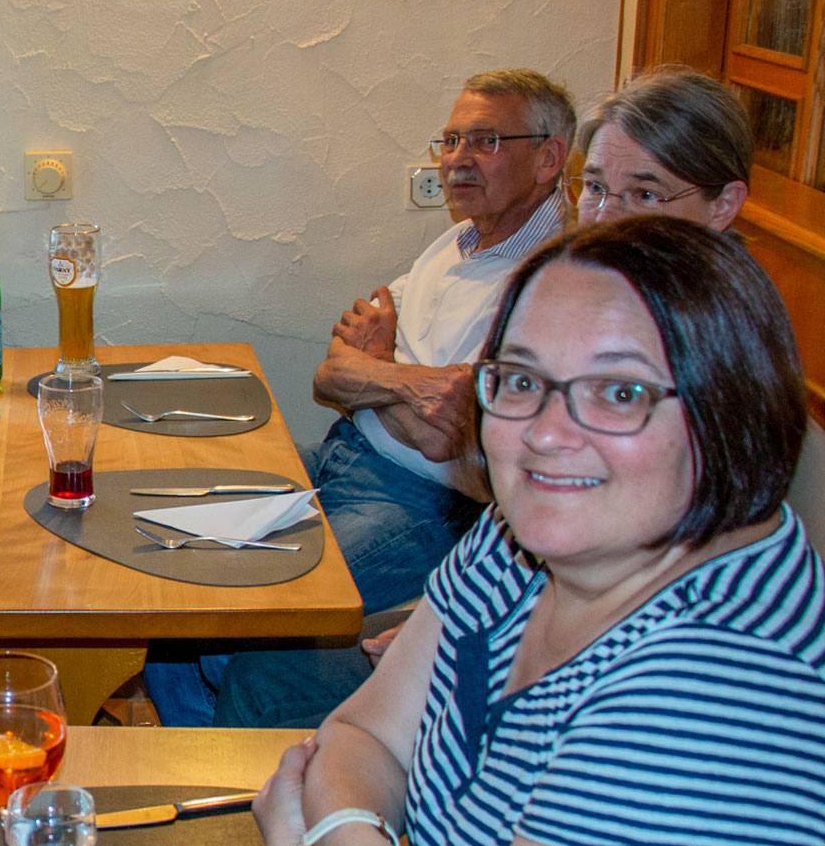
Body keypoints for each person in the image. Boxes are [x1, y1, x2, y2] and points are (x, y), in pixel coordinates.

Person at [253, 217, 825, 846]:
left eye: (616, 392)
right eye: (516, 380)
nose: (544, 434)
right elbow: (356, 739)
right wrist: (349, 841)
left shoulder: (714, 690)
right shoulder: (529, 550)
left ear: (730, 404)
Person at [213, 66, 753, 729]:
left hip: (518, 640)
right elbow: (489, 482)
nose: (607, 219)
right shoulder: (573, 300)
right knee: (188, 553)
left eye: (644, 192)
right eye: (598, 191)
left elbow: (471, 451)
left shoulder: (709, 361)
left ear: (724, 205)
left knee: (250, 656)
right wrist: (440, 618)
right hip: (470, 588)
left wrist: (453, 640)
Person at [147, 68, 576, 726]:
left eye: (484, 141)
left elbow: (456, 434)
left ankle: (226, 760)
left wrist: (379, 374)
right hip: (339, 454)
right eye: (451, 140)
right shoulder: (453, 244)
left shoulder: (552, 278)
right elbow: (331, 376)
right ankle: (197, 740)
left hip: (421, 504)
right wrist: (410, 380)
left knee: (234, 605)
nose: (457, 158)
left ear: (549, 158)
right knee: (160, 540)